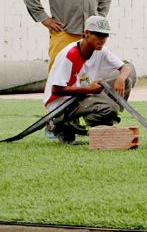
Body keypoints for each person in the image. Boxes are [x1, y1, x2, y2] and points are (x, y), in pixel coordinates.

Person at [43, 15, 136, 144]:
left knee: (126, 82)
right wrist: (88, 89)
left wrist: (120, 78)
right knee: (110, 108)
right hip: (62, 104)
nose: (102, 40)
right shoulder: (70, 54)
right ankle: (62, 124)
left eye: (105, 36)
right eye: (98, 35)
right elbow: (56, 90)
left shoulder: (101, 50)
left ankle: (105, 123)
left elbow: (125, 67)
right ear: (87, 33)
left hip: (82, 94)